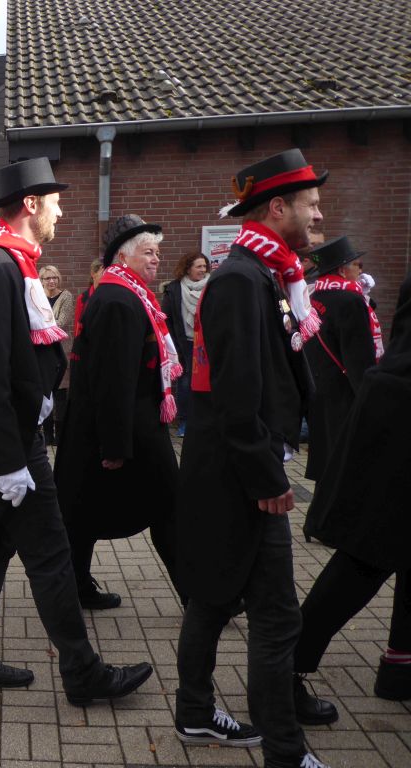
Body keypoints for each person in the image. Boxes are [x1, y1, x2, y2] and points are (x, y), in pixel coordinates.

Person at [0, 158, 152, 705]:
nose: (60, 212)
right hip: (7, 447)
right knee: (50, 553)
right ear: (31, 204)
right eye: (55, 202)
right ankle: (82, 671)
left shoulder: (10, 262)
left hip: (9, 437)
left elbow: (15, 358)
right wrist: (8, 462)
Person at [176, 149, 329, 767]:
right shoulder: (242, 279)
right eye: (311, 204)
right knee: (276, 618)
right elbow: (236, 396)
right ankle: (285, 754)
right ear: (278, 207)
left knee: (214, 599)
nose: (319, 214)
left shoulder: (262, 272)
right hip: (243, 474)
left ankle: (193, 712)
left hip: (237, 469)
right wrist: (268, 477)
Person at [55, 215, 185, 611]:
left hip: (117, 426)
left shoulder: (126, 294)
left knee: (84, 514)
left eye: (158, 251)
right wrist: (114, 445)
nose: (157, 259)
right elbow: (114, 379)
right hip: (124, 428)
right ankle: (202, 598)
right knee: (168, 508)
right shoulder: (118, 300)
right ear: (123, 257)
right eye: (149, 252)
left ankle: (77, 587)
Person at [296, 273, 411, 707]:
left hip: (387, 398)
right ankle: (284, 665)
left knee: (380, 555)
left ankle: (400, 664)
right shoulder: (344, 299)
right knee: (366, 558)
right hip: (396, 412)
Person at [304, 236, 381, 484]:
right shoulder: (350, 301)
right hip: (345, 393)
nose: (360, 270)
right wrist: (368, 398)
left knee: (325, 457)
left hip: (318, 388)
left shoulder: (313, 296)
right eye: (357, 265)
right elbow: (359, 357)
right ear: (341, 270)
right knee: (346, 463)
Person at [162, 251, 210, 437]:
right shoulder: (174, 289)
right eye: (198, 266)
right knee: (185, 381)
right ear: (188, 268)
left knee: (207, 380)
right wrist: (172, 344)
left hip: (206, 343)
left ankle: (204, 418)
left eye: (204, 266)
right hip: (185, 343)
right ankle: (185, 421)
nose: (202, 270)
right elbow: (167, 318)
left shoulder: (212, 286)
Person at [38, 265, 73, 445]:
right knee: (46, 391)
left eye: (55, 278)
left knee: (60, 393)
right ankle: (47, 434)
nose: (52, 281)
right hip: (43, 351)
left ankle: (60, 435)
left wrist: (40, 327)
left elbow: (61, 322)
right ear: (41, 280)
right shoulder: (37, 297)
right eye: (48, 278)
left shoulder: (66, 296)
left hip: (61, 350)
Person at [73, 259, 104, 338]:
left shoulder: (114, 296)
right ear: (93, 273)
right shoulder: (83, 298)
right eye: (104, 272)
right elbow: (78, 327)